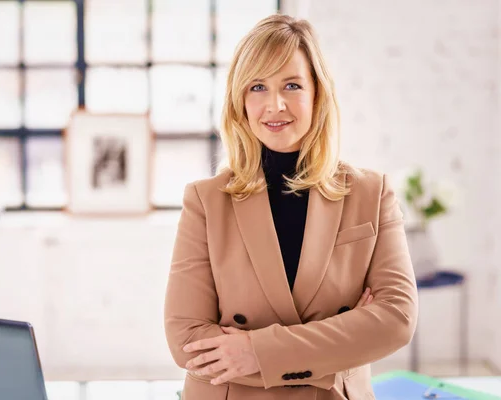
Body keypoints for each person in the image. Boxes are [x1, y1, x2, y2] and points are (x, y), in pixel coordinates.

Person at [163, 14, 418, 400]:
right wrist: (344, 338)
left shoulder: (372, 193)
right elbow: (187, 340)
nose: (275, 105)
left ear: (317, 93)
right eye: (258, 87)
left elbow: (396, 319)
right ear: (240, 100)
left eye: (292, 85)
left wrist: (255, 352)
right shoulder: (206, 200)